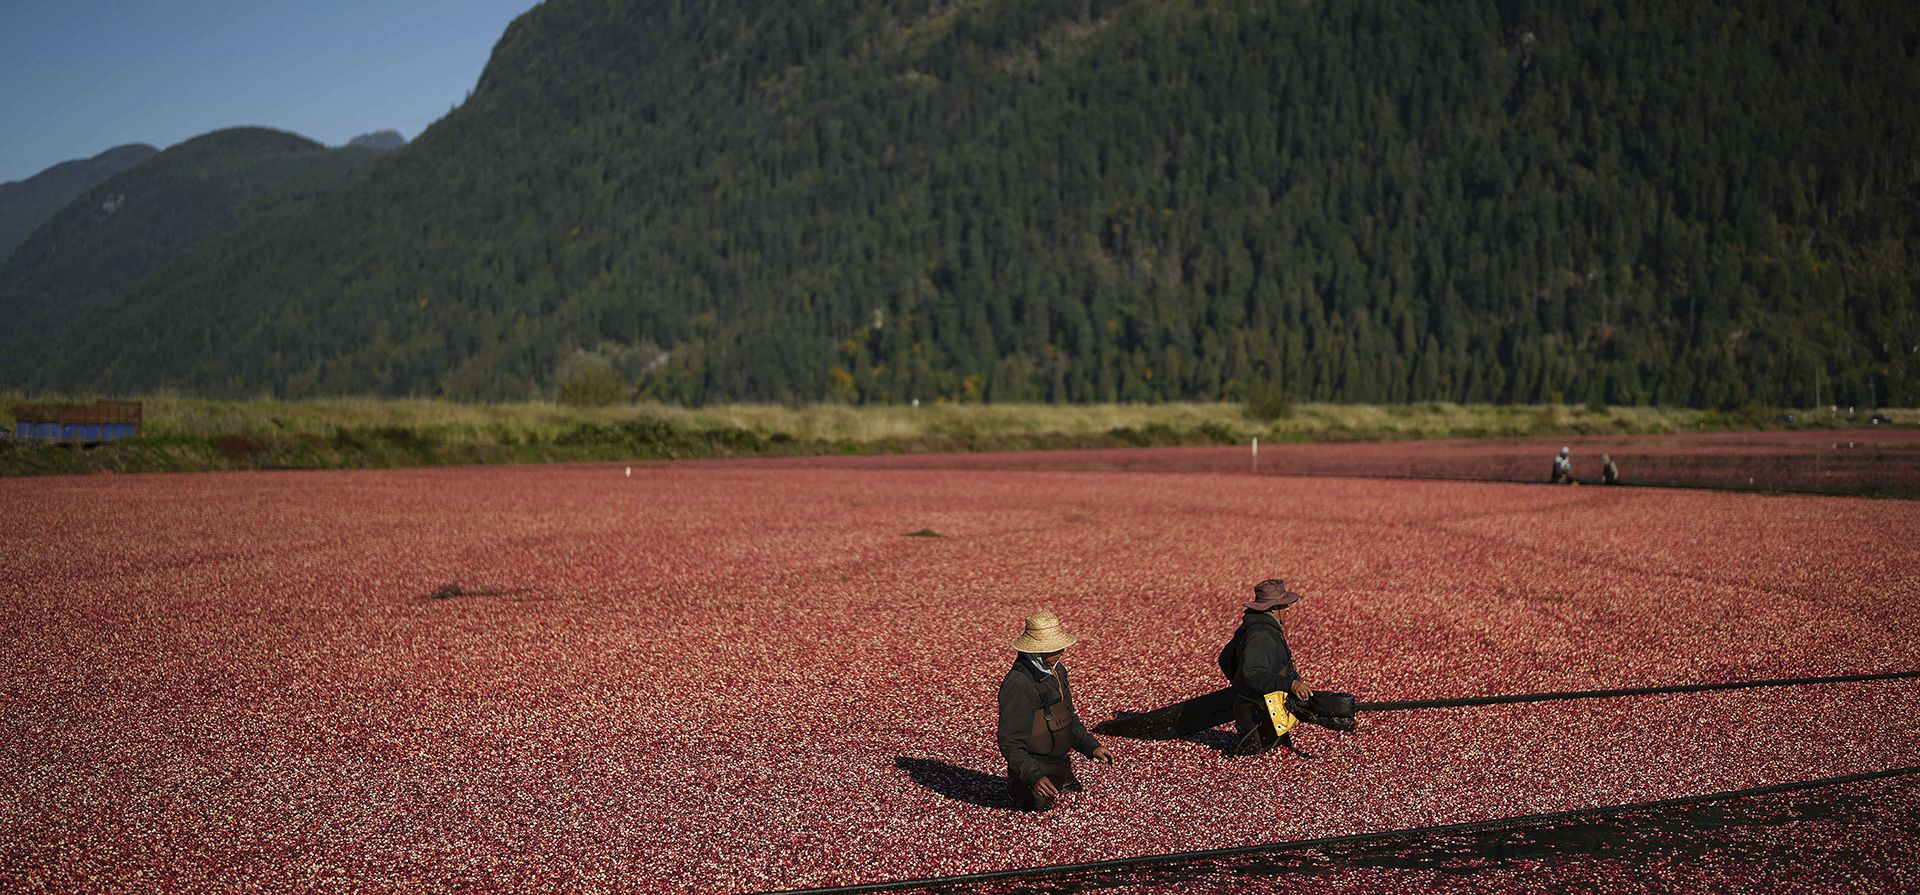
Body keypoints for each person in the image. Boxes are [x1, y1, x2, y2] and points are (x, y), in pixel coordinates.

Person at [996, 610, 1113, 811]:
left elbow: (1068, 718)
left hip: (1060, 764)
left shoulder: (1057, 671)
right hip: (1034, 765)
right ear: (1036, 651)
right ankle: (1021, 788)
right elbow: (1010, 741)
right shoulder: (1018, 683)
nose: (1062, 652)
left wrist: (1091, 747)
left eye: (1061, 647)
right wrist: (1033, 776)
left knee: (1073, 795)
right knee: (1036, 806)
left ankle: (1060, 775)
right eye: (1054, 649)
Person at [1217, 579, 1313, 756]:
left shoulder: (1254, 627)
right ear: (1273, 609)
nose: (1288, 609)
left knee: (1275, 756)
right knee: (1258, 757)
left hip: (1267, 710)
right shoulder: (1261, 634)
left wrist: (1239, 684)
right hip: (1258, 714)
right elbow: (1252, 673)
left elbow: (1225, 659)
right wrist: (1289, 685)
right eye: (1284, 606)